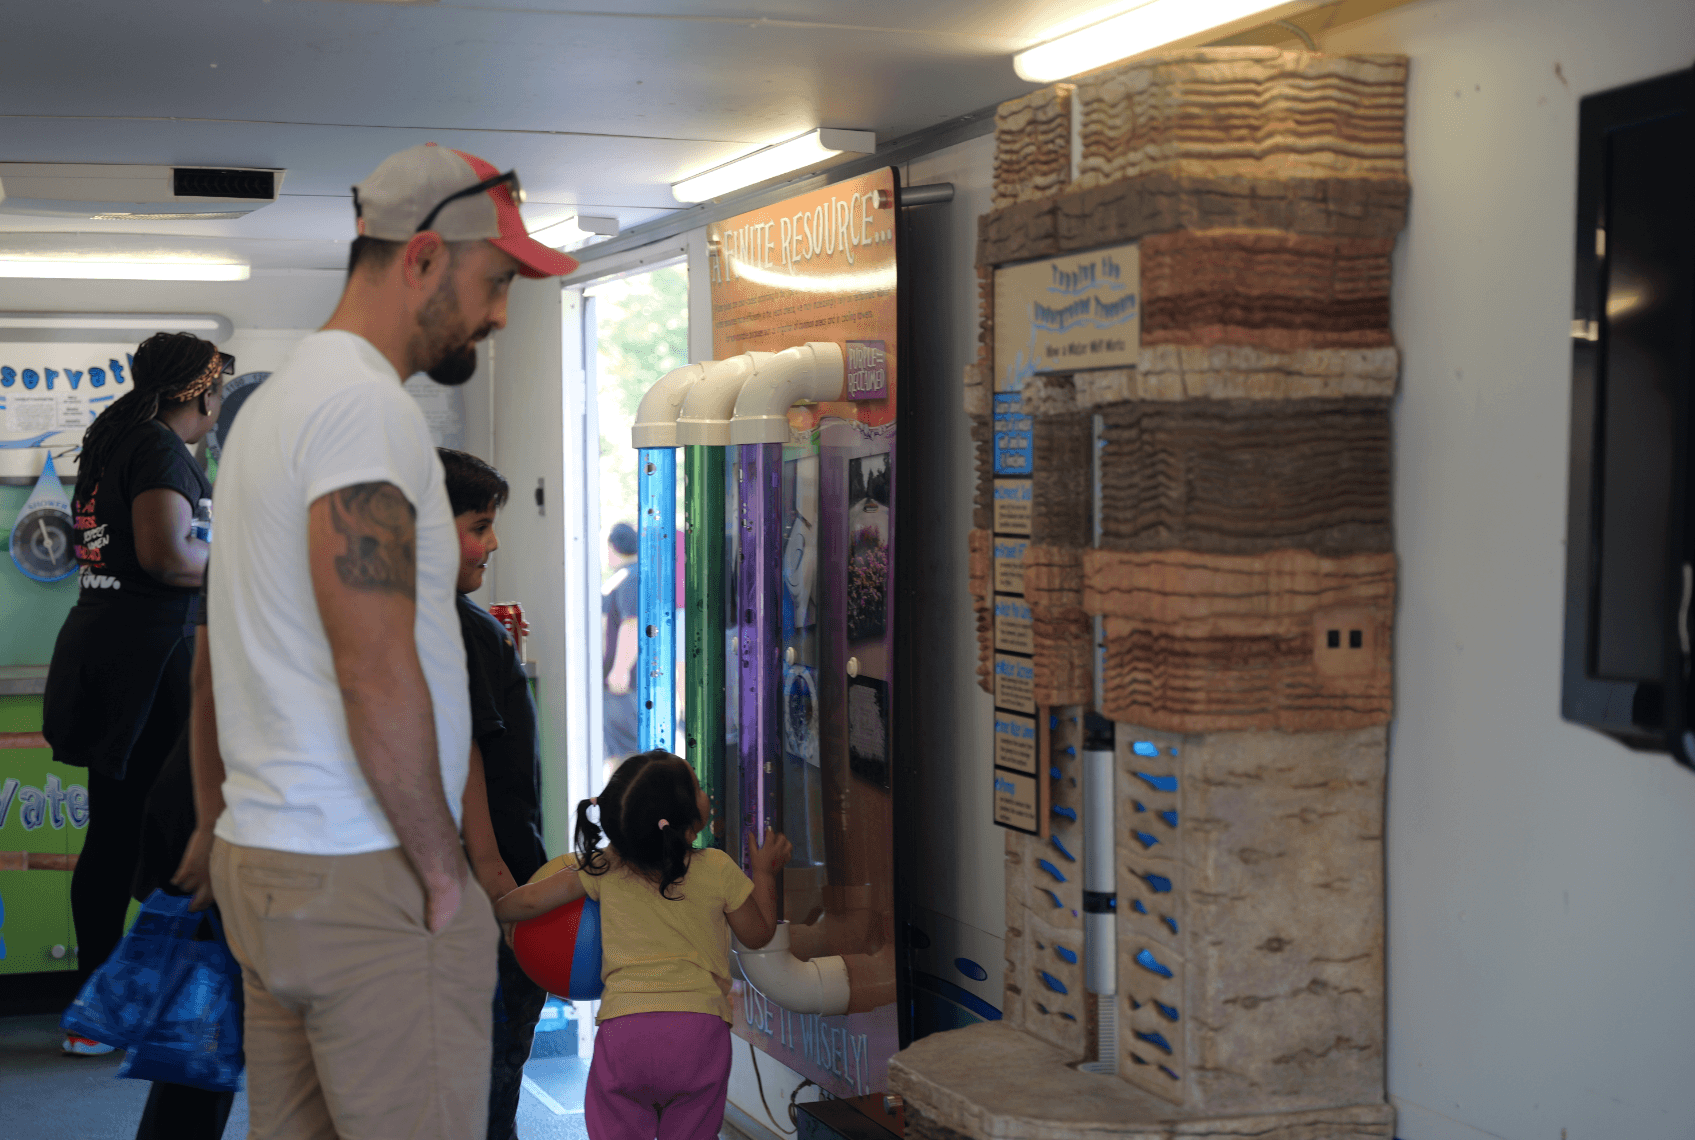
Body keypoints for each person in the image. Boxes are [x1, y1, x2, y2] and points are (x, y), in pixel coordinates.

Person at [185, 142, 576, 1140]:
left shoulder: (265, 414)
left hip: (270, 867)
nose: (499, 314)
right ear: (424, 258)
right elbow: (374, 664)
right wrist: (445, 875)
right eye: (495, 281)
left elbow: (212, 663)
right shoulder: (364, 411)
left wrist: (218, 825)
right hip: (368, 878)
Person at [42, 330, 228, 1056]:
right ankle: (156, 1010)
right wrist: (249, 557)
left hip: (110, 651)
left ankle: (97, 1012)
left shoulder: (115, 439)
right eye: (218, 391)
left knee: (117, 836)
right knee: (178, 836)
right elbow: (167, 555)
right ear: (202, 393)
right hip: (151, 662)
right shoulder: (155, 446)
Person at [495, 751, 791, 1140]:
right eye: (698, 787)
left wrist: (501, 915)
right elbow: (758, 934)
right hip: (699, 1033)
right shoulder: (719, 867)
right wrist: (765, 874)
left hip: (626, 1031)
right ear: (687, 819)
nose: (705, 792)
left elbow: (531, 900)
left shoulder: (604, 865)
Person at [437, 446, 549, 1140]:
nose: (494, 542)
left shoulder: (395, 621)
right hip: (485, 898)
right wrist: (499, 880)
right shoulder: (456, 629)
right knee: (488, 1083)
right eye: (478, 526)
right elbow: (466, 756)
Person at [602, 520, 640, 769]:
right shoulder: (624, 577)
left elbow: (631, 624)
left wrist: (620, 670)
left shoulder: (629, 577)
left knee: (627, 757)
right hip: (616, 684)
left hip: (623, 686)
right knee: (618, 754)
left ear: (613, 547)